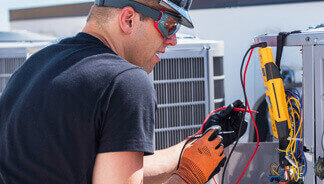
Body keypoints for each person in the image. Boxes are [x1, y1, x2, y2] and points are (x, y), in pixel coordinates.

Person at [0, 0, 247, 183]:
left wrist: (197, 143)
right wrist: (189, 176)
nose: (172, 40)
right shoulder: (126, 82)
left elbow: (110, 169)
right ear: (128, 19)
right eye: (170, 25)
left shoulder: (32, 68)